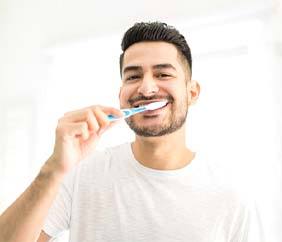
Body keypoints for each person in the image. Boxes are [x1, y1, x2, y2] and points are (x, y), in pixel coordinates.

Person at [0, 22, 264, 242]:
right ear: (121, 94)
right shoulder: (82, 174)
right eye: (133, 76)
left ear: (192, 92)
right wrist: (54, 168)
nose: (147, 89)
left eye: (163, 74)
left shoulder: (232, 196)